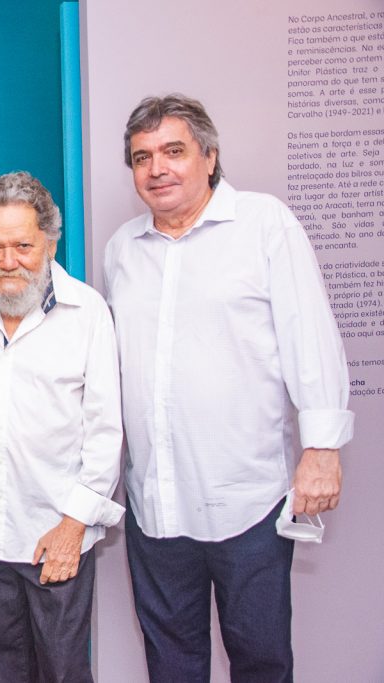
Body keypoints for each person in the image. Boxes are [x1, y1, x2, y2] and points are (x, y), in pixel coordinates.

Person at [104, 93, 354, 682]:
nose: (157, 168)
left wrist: (321, 448)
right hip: (156, 499)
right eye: (142, 157)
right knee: (170, 659)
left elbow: (309, 333)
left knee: (260, 657)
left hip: (248, 500)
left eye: (173, 151)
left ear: (210, 157)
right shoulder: (123, 249)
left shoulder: (264, 224)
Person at [0, 172, 124, 682]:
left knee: (62, 667)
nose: (9, 262)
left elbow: (105, 430)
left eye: (23, 246)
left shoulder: (86, 311)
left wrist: (74, 525)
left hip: (54, 531)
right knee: (1, 661)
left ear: (49, 243)